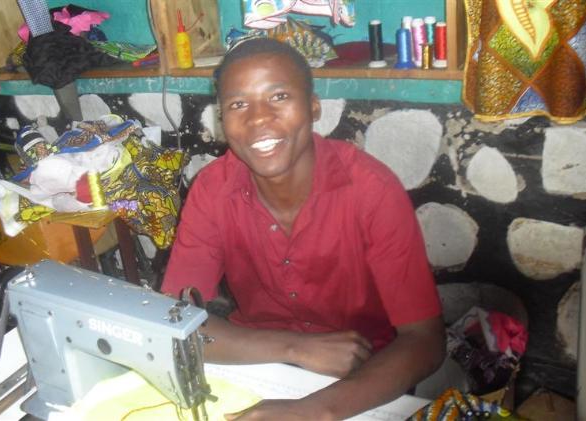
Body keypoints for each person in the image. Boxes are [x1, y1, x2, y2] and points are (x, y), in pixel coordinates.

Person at [162, 37, 445, 420]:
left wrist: (314, 412)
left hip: (362, 376)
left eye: (278, 97)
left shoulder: (372, 190)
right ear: (221, 119)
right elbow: (176, 322)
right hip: (257, 361)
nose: (258, 118)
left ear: (313, 106)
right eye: (238, 104)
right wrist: (295, 347)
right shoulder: (212, 189)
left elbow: (425, 342)